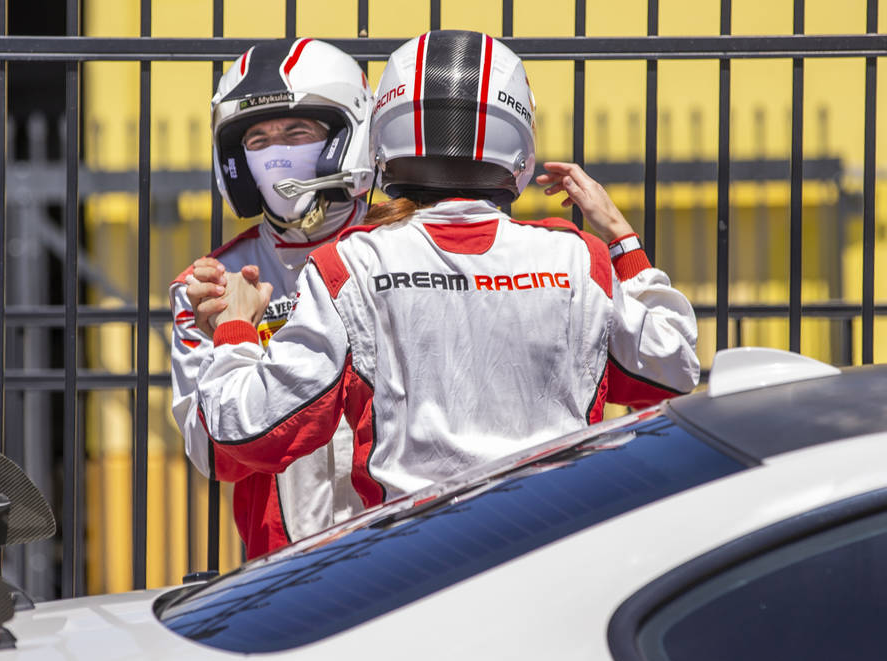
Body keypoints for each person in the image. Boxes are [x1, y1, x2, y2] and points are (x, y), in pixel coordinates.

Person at [189, 30, 700, 507]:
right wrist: (623, 241)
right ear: (518, 137)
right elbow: (672, 367)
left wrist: (235, 327)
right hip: (555, 542)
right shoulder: (577, 256)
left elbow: (249, 430)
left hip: (416, 563)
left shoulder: (351, 263)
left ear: (383, 135)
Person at [170, 37, 373, 558]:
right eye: (258, 140)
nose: (276, 151)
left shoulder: (399, 256)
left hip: (400, 542)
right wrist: (226, 336)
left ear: (342, 138)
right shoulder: (207, 285)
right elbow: (215, 458)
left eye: (296, 131)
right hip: (282, 561)